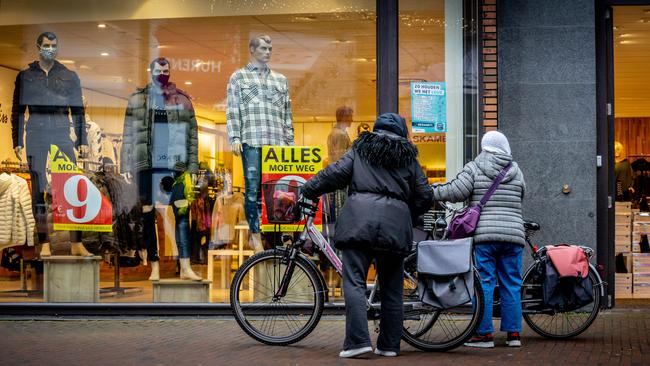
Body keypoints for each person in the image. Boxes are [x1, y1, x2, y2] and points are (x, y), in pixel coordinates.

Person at [301, 113, 433, 358]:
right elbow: (425, 195)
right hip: (394, 229)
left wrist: (308, 189)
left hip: (359, 224)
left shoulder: (361, 150)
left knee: (354, 282)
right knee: (392, 288)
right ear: (402, 133)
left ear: (376, 129)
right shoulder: (408, 158)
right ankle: (389, 346)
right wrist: (404, 211)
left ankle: (357, 342)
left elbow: (334, 174)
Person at [431, 130, 526, 348]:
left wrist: (429, 192)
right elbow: (522, 194)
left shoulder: (475, 166)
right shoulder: (515, 169)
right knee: (511, 284)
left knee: (484, 283)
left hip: (486, 236)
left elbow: (456, 191)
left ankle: (484, 335)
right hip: (513, 236)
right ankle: (513, 335)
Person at [11, 31, 91, 257]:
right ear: (38, 47)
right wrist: (17, 140)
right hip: (35, 133)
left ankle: (76, 242)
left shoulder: (69, 75)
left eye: (54, 45)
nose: (50, 48)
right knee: (38, 189)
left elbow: (78, 110)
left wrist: (82, 139)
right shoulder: (25, 76)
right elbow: (17, 110)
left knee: (71, 187)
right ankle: (44, 242)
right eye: (46, 45)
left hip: (61, 133)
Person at [120, 57, 199, 280]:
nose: (162, 73)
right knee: (147, 215)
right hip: (147, 165)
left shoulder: (182, 100)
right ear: (151, 71)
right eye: (158, 69)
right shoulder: (137, 99)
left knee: (182, 213)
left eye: (166, 70)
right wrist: (126, 164)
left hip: (176, 166)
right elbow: (128, 133)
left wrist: (192, 166)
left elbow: (193, 135)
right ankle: (154, 265)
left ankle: (185, 266)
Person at [227, 35, 294, 252]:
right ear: (252, 50)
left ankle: (276, 235)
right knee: (253, 189)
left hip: (276, 144)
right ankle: (255, 234)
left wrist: (289, 143)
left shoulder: (280, 80)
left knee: (279, 189)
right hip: (252, 140)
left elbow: (287, 113)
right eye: (264, 48)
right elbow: (233, 109)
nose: (268, 52)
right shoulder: (239, 77)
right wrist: (234, 137)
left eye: (270, 48)